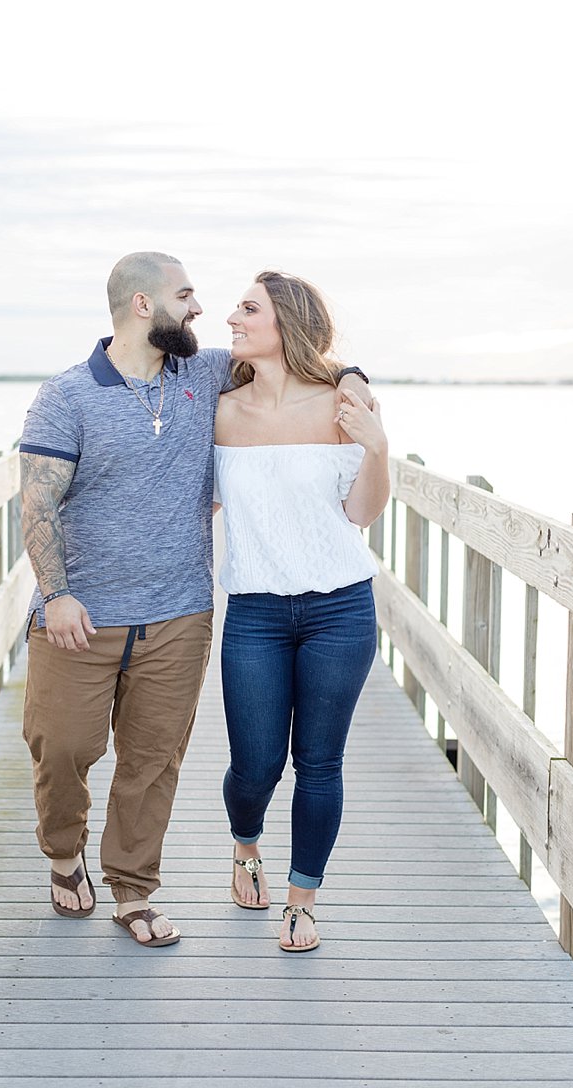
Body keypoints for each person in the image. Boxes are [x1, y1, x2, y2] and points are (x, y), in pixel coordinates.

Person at [19, 252, 371, 946]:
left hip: (179, 612)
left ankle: (132, 890)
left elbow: (307, 360)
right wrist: (55, 594)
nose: (203, 312)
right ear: (144, 305)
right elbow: (36, 502)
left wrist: (357, 381)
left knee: (153, 761)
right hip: (80, 616)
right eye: (187, 297)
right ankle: (64, 854)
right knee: (61, 748)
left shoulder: (206, 374)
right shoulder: (65, 395)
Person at [212, 270, 390, 951]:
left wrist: (376, 446)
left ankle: (301, 899)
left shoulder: (341, 407)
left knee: (319, 761)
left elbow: (362, 512)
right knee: (255, 765)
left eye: (248, 308)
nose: (232, 317)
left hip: (339, 609)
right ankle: (245, 844)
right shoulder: (221, 412)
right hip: (254, 611)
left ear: (284, 321)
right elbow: (197, 501)